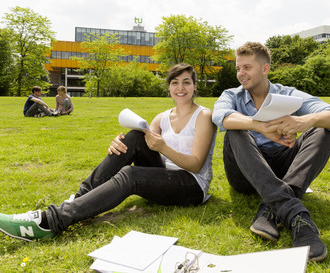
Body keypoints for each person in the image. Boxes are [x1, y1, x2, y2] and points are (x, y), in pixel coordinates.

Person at [0, 63, 216, 241]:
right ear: (169, 88)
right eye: (175, 83)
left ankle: (51, 221)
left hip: (191, 186)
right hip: (164, 179)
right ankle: (77, 199)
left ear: (195, 86)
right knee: (133, 136)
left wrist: (164, 148)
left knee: (131, 175)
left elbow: (196, 164)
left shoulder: (204, 116)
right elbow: (147, 145)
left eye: (186, 82)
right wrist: (118, 145)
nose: (181, 88)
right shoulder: (161, 118)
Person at [212, 42, 330, 262]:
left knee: (323, 130)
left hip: (283, 166)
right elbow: (220, 116)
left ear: (265, 69)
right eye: (238, 68)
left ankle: (270, 207)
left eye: (247, 67)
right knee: (235, 130)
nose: (240, 74)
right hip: (245, 172)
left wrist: (305, 120)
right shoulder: (232, 95)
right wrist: (259, 126)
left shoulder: (289, 94)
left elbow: (327, 112)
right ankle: (295, 214)